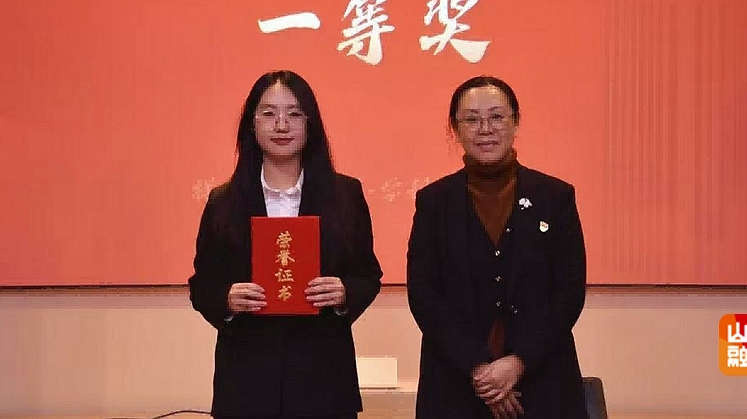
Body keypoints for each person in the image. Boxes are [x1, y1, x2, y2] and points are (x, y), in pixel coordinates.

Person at [188, 70, 383, 419]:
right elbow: (202, 285)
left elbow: (368, 276)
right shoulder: (223, 201)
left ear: (310, 124)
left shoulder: (345, 195)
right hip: (247, 378)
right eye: (268, 113)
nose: (281, 125)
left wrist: (344, 292)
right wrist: (227, 300)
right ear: (252, 124)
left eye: (294, 113)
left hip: (324, 376)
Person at [406, 76, 589, 419]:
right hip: (456, 386)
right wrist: (479, 370)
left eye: (496, 117)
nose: (485, 129)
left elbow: (568, 293)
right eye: (471, 119)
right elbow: (424, 295)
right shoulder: (434, 202)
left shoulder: (555, 197)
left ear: (515, 122)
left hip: (542, 382)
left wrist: (518, 363)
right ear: (455, 129)